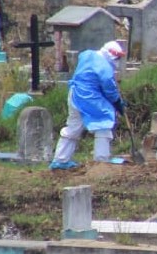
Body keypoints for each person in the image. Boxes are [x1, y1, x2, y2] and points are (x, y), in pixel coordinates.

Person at [50, 41, 127, 170]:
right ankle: (101, 161)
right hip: (89, 98)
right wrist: (118, 103)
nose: (117, 62)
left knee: (73, 126)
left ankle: (60, 160)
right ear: (111, 55)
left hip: (74, 95)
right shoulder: (105, 68)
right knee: (104, 121)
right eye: (117, 58)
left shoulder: (87, 55)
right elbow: (109, 90)